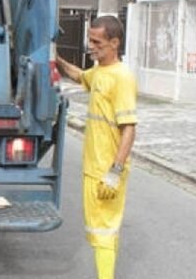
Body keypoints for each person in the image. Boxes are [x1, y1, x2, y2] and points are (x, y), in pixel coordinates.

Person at [56, 15, 137, 279]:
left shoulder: (121, 77)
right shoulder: (100, 71)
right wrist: (54, 57)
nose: (90, 46)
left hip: (106, 171)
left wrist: (114, 171)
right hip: (94, 168)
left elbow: (129, 129)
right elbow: (79, 75)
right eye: (89, 40)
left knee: (103, 231)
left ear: (114, 43)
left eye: (97, 41)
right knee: (103, 230)